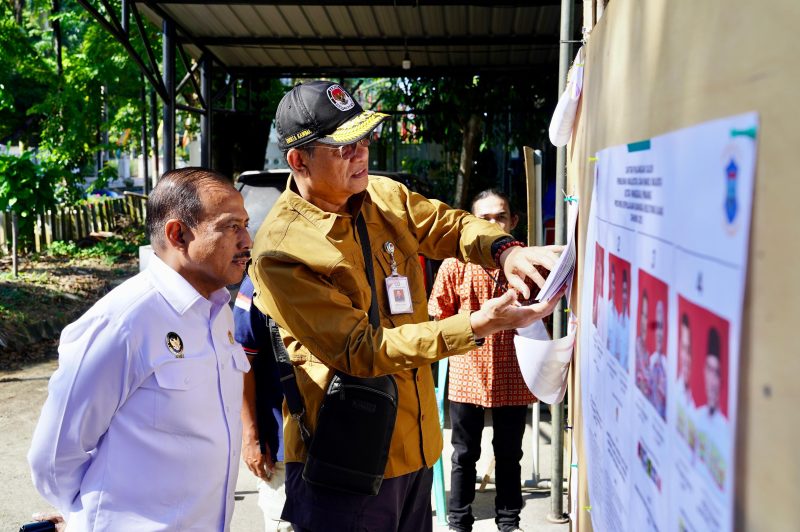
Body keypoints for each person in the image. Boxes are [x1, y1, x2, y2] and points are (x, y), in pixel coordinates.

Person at [249, 80, 563, 532]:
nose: (360, 155)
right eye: (343, 148)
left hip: (414, 448)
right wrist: (477, 324)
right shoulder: (283, 249)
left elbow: (450, 226)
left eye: (363, 140)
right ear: (299, 161)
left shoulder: (384, 196)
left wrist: (506, 251)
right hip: (346, 462)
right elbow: (362, 349)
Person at [28, 168, 252, 530]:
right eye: (231, 227)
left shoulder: (216, 313)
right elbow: (53, 456)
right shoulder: (123, 321)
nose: (247, 240)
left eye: (245, 224)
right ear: (178, 234)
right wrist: (86, 516)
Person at [428, 189, 541, 532]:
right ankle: (459, 522)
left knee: (510, 455)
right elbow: (438, 316)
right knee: (463, 455)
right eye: (485, 218)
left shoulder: (530, 262)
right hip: (467, 373)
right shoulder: (454, 264)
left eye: (500, 217)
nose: (493, 223)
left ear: (513, 221)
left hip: (513, 372)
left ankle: (509, 522)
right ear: (472, 221)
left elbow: (544, 309)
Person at [234, 274, 293, 532]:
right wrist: (251, 438)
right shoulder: (257, 284)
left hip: (336, 446)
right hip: (282, 451)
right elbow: (241, 363)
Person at [649, 299, 667, 418]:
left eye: (661, 327)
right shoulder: (651, 361)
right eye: (656, 326)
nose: (658, 333)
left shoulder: (668, 371)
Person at [634, 290, 650, 398]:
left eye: (647, 316)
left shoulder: (652, 357)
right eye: (643, 315)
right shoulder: (634, 348)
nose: (645, 322)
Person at [617, 269, 630, 368]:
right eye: (623, 291)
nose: (624, 296)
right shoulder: (619, 318)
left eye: (626, 292)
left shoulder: (630, 324)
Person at [606, 264, 618, 355]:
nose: (614, 287)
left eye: (616, 283)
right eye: (613, 283)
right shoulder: (605, 309)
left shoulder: (619, 314)